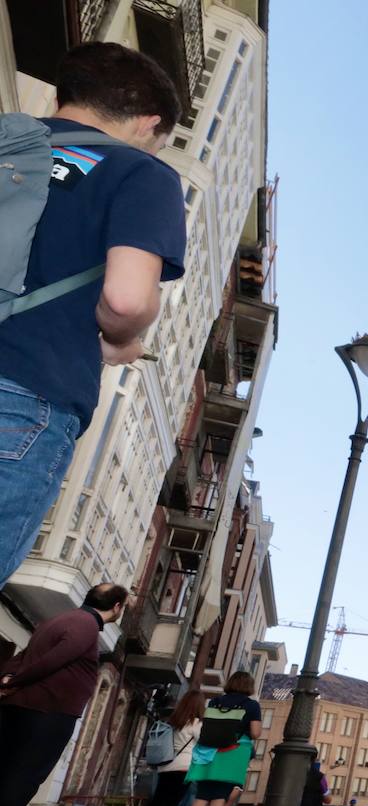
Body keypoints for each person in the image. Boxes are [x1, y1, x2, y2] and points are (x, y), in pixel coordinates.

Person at [0, 43, 187, 587]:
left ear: (63, 96)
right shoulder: (141, 174)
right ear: (150, 124)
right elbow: (125, 300)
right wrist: (121, 342)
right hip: (24, 392)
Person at [0, 583, 128, 806]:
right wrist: (17, 680)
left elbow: (26, 653)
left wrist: (8, 679)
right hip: (50, 710)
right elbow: (55, 660)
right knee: (26, 773)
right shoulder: (85, 626)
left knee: (10, 768)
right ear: (117, 607)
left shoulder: (59, 620)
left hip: (25, 705)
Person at [181, 671, 261, 806]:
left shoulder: (215, 702)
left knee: (202, 796)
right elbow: (255, 733)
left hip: (209, 751)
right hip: (233, 752)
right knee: (220, 796)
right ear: (249, 686)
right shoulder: (251, 705)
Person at [130, 689, 204, 806]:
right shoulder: (197, 724)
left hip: (165, 766)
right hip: (184, 767)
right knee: (171, 805)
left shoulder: (174, 721)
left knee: (156, 803)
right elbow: (204, 743)